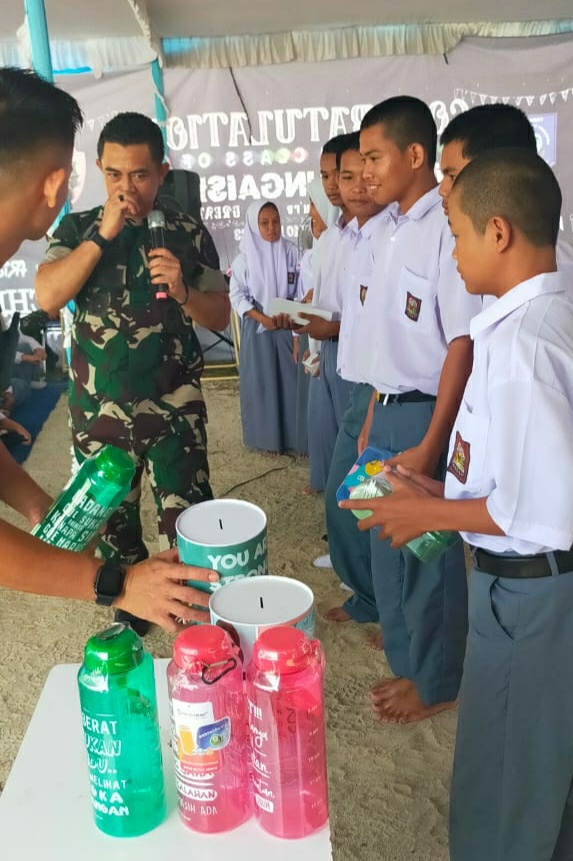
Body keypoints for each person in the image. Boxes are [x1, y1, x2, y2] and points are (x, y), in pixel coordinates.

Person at [343, 148, 573, 861]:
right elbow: (521, 474)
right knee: (524, 763)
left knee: (510, 775)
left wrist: (427, 516)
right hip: (518, 582)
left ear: (497, 232)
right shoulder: (522, 324)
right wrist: (438, 490)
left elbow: (546, 515)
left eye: (456, 228)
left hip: (533, 590)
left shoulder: (526, 347)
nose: (453, 248)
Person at [0, 68, 218, 631]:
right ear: (88, 174)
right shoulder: (77, 229)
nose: (128, 188)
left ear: (162, 173)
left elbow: (224, 316)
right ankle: (132, 613)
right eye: (115, 173)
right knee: (118, 535)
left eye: (141, 175)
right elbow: (48, 294)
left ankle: (198, 629)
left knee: (190, 528)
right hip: (101, 418)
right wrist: (102, 235)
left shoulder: (187, 232)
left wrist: (187, 289)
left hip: (175, 412)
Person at [327, 96, 482, 722]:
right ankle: (408, 655)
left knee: (429, 559)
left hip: (425, 416)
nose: (362, 172)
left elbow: (461, 344)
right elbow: (381, 344)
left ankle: (438, 679)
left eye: (372, 157)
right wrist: (369, 418)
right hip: (385, 409)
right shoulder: (385, 231)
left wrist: (432, 442)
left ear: (415, 155)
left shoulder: (447, 229)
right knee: (389, 549)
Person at [438, 102, 573, 268]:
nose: (442, 190)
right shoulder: (447, 251)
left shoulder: (563, 272)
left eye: (453, 177)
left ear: (500, 171)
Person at [229, 201, 300, 454]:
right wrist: (262, 318)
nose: (272, 228)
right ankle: (264, 439)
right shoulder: (244, 259)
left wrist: (288, 317)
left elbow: (300, 290)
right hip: (257, 326)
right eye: (265, 223)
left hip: (287, 325)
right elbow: (237, 296)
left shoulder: (291, 251)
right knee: (262, 381)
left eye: (276, 222)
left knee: (289, 380)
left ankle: (292, 438)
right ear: (253, 226)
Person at [294, 178, 330, 465]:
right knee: (319, 414)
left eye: (314, 206)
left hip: (334, 342)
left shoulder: (338, 248)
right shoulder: (318, 250)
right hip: (318, 340)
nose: (310, 214)